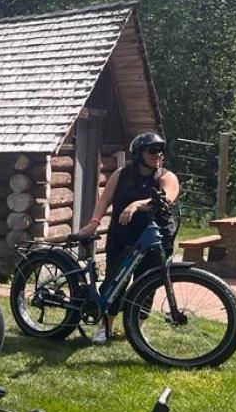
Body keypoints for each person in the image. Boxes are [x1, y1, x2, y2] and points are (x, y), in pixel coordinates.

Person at [77, 132, 181, 345]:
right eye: (152, 150)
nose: (158, 155)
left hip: (154, 236)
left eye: (161, 150)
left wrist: (137, 205)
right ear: (139, 153)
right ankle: (105, 327)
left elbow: (167, 199)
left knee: (146, 283)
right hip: (123, 235)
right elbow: (105, 199)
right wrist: (94, 222)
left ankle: (136, 326)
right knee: (115, 281)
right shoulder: (121, 174)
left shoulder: (166, 176)